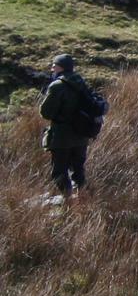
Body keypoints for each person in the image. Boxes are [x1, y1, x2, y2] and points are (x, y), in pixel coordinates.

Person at [39, 53, 103, 198]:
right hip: (81, 135)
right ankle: (82, 198)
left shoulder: (57, 86)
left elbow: (46, 113)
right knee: (78, 170)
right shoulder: (81, 82)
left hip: (62, 136)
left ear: (61, 67)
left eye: (54, 65)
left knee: (59, 172)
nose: (52, 68)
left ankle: (67, 202)